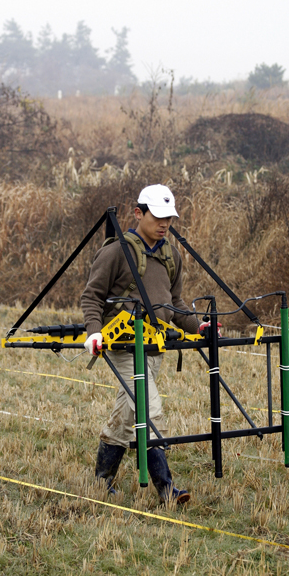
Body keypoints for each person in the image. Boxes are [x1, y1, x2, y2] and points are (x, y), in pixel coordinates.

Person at [81, 184, 200, 504]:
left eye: (169, 219)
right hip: (122, 346)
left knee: (127, 412)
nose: (164, 224)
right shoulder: (115, 251)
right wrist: (93, 332)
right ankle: (167, 489)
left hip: (155, 347)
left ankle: (101, 480)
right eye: (158, 217)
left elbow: (176, 305)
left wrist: (200, 326)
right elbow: (91, 297)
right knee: (150, 409)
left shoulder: (171, 254)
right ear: (138, 213)